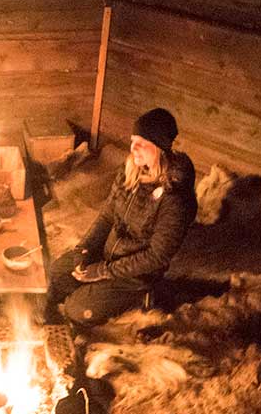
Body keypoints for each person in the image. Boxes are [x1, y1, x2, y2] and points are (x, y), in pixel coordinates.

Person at [47, 108, 197, 326]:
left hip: (136, 275)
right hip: (109, 254)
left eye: (142, 143)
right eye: (133, 140)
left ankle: (142, 297)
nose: (133, 148)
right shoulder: (130, 172)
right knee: (58, 273)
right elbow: (108, 216)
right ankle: (99, 291)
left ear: (160, 149)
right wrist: (84, 250)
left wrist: (102, 271)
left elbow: (156, 256)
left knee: (76, 309)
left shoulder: (175, 197)